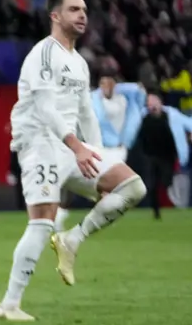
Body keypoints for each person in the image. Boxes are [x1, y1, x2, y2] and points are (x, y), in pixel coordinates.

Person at [0, 0, 147, 322]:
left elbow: (86, 114)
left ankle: (73, 239)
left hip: (70, 146)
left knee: (132, 186)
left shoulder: (79, 63)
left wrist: (99, 155)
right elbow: (46, 108)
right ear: (55, 15)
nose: (82, 16)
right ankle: (9, 304)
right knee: (40, 224)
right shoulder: (44, 54)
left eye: (85, 11)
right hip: (40, 145)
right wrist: (77, 146)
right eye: (74, 10)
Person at [56, 72, 146, 229]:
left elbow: (139, 90)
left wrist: (119, 87)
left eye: (109, 83)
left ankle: (100, 216)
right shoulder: (94, 99)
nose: (106, 87)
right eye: (103, 83)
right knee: (101, 185)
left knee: (113, 187)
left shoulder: (123, 99)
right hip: (100, 146)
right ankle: (64, 211)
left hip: (120, 147)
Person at [136, 93, 191, 219]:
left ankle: (169, 200)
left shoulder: (172, 115)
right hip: (150, 155)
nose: (150, 105)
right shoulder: (143, 116)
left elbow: (188, 123)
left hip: (167, 155)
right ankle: (156, 211)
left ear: (159, 102)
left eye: (153, 101)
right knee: (152, 184)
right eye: (148, 102)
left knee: (166, 181)